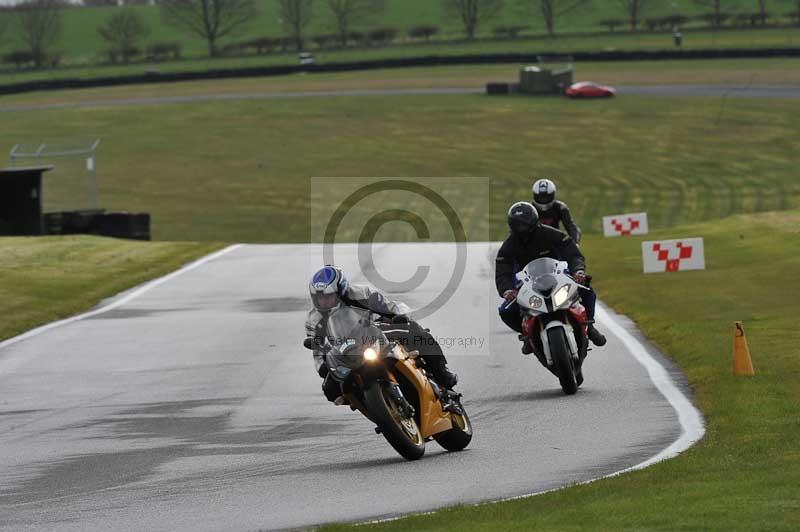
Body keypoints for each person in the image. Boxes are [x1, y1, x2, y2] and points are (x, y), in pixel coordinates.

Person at [305, 266, 458, 403]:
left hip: (375, 332)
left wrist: (400, 316)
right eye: (319, 297)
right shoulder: (314, 319)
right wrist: (322, 368)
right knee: (330, 390)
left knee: (414, 330)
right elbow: (318, 350)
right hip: (345, 351)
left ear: (341, 290)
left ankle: (442, 372)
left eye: (328, 296)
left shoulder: (362, 294)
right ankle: (369, 404)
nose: (323, 301)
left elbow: (391, 307)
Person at [495, 202, 606, 352]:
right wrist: (507, 290)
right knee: (505, 311)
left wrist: (578, 272)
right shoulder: (508, 246)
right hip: (528, 284)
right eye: (517, 224)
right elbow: (502, 271)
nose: (522, 228)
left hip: (558, 276)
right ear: (511, 225)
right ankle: (527, 336)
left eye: (524, 223)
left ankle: (589, 326)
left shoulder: (551, 234)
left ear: (533, 220)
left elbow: (573, 254)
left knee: (586, 288)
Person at [531, 178, 582, 244]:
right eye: (541, 197)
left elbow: (570, 226)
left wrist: (575, 242)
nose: (543, 200)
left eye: (546, 197)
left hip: (555, 243)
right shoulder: (530, 209)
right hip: (534, 244)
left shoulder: (560, 208)